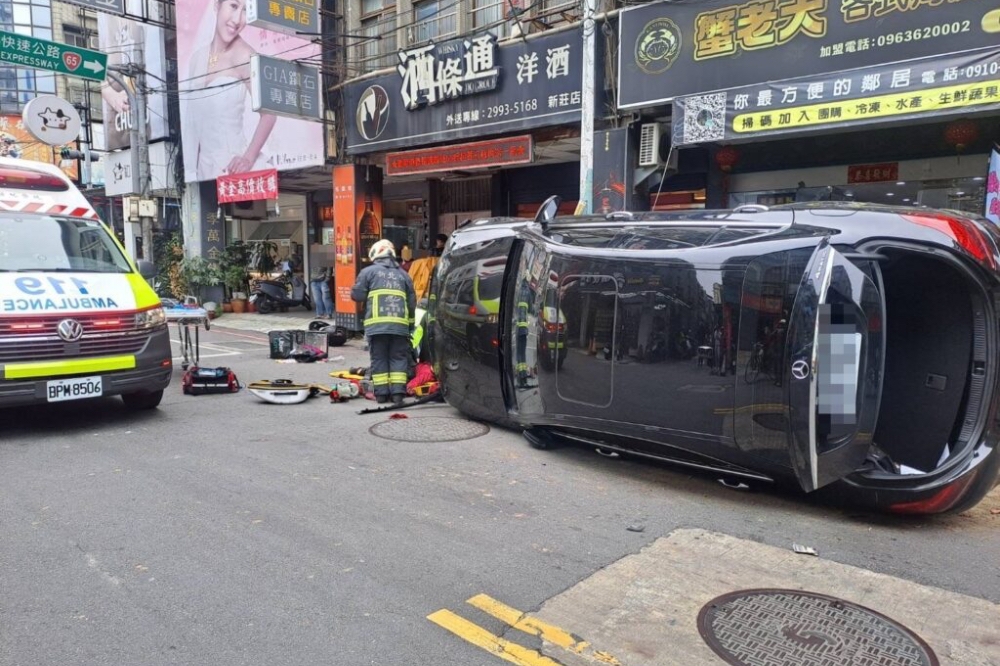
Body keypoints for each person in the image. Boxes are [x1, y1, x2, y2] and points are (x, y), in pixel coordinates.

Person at [184, 0, 277, 180]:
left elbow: (270, 114)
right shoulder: (197, 58)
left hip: (234, 165)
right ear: (217, 6)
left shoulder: (245, 55)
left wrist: (248, 158)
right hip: (203, 168)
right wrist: (189, 170)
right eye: (234, 6)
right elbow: (191, 121)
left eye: (245, 10)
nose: (237, 19)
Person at [351, 239, 417, 405]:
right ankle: (398, 395)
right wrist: (409, 325)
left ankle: (381, 395)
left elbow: (357, 296)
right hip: (400, 328)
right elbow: (411, 304)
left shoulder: (368, 272)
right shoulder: (404, 275)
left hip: (377, 326)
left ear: (375, 253)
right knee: (399, 358)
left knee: (379, 358)